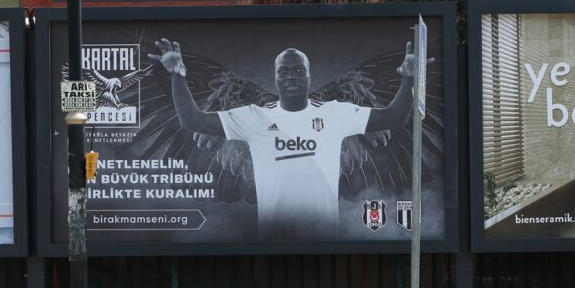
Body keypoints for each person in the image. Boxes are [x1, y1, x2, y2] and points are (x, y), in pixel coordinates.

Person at [149, 38, 418, 238]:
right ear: (275, 78)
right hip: (272, 237)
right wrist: (177, 75)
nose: (291, 76)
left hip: (324, 237)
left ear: (309, 77)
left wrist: (408, 78)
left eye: (298, 70)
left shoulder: (336, 114)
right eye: (284, 71)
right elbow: (192, 120)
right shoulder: (253, 117)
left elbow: (394, 117)